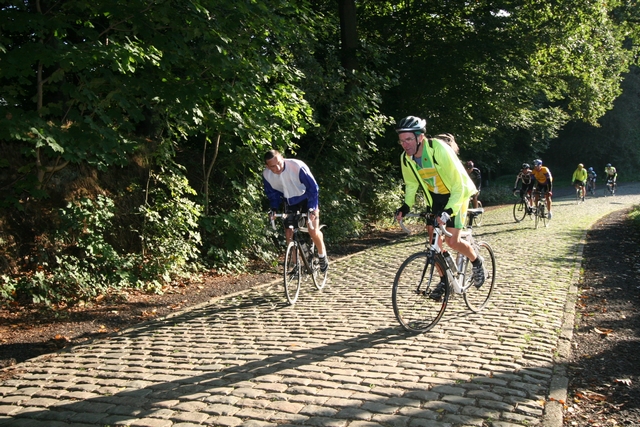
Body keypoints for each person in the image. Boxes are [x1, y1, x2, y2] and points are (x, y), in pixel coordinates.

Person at [393, 116, 485, 299]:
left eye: (409, 139)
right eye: (402, 140)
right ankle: (444, 281)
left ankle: (477, 261)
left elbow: (458, 184)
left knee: (452, 241)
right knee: (434, 243)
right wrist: (406, 205)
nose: (405, 144)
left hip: (457, 193)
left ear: (420, 137)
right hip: (435, 198)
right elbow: (411, 184)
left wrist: (449, 211)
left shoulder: (438, 149)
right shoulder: (406, 159)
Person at [263, 149, 328, 273]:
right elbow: (272, 194)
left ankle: (322, 255)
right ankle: (295, 265)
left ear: (282, 158)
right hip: (290, 200)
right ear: (267, 166)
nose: (277, 168)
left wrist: (312, 208)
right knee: (289, 233)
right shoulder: (267, 175)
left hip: (307, 198)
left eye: (279, 163)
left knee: (312, 230)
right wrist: (274, 209)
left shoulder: (296, 166)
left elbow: (313, 188)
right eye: (272, 166)